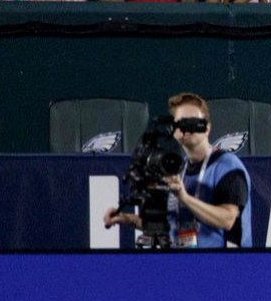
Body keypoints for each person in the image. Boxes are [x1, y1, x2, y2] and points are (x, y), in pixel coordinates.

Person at [104, 93, 252, 250]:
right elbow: (172, 225)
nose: (186, 129)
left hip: (224, 265)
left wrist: (184, 198)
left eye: (193, 122)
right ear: (174, 131)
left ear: (207, 128)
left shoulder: (227, 165)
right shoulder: (179, 170)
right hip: (184, 263)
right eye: (180, 124)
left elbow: (228, 220)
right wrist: (129, 219)